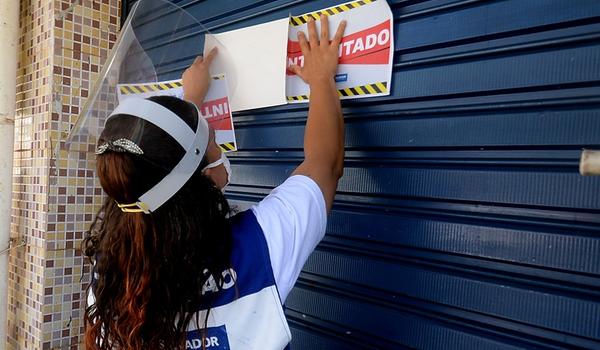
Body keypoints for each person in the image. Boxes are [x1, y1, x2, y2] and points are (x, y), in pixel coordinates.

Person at [83, 15, 347, 350]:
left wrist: (189, 103)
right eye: (212, 142)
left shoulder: (110, 277)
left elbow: (161, 179)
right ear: (202, 177)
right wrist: (322, 80)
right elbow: (325, 164)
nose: (217, 148)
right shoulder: (257, 247)